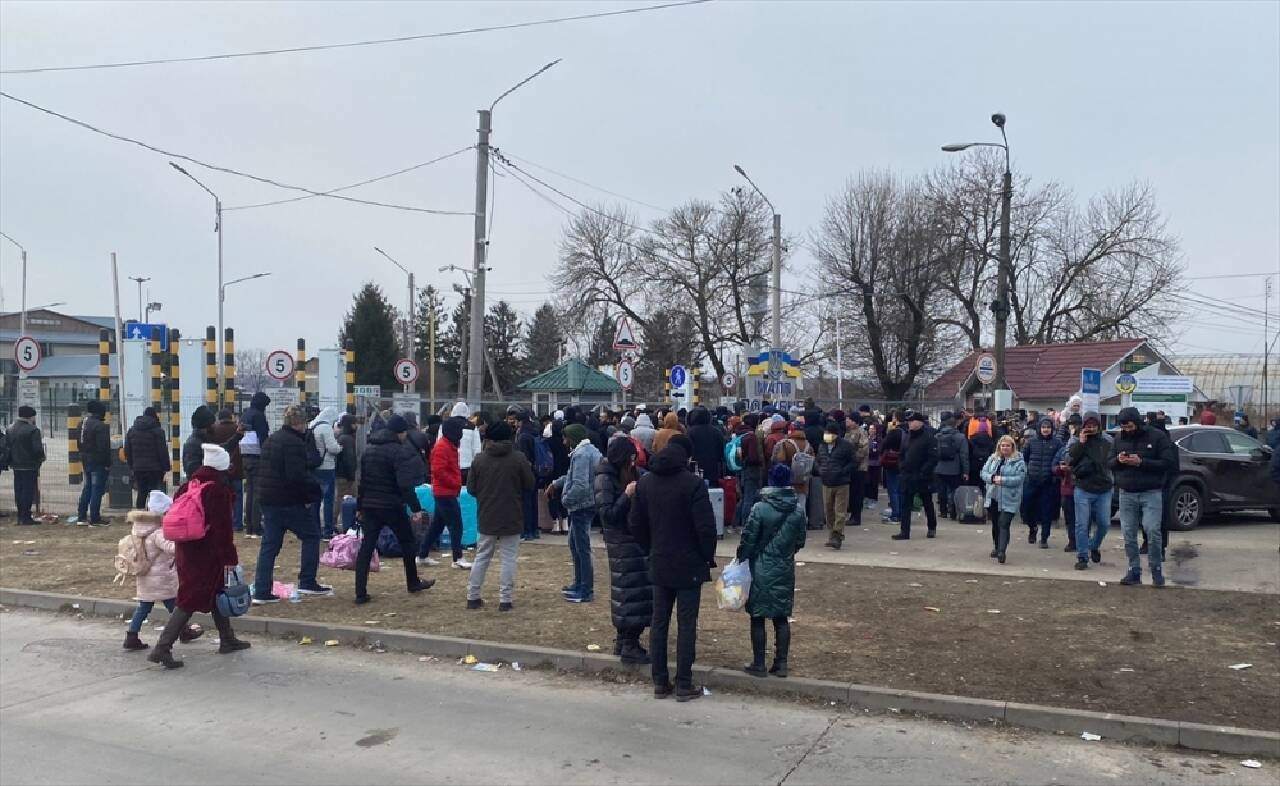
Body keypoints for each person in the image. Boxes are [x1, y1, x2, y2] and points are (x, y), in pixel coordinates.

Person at [629, 436, 717, 702]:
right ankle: (683, 683)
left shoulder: (645, 484)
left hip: (659, 559)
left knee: (659, 622)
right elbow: (706, 528)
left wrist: (649, 549)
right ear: (686, 458)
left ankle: (659, 681)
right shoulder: (693, 484)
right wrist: (706, 557)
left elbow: (636, 524)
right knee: (687, 624)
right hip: (689, 563)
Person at [148, 445, 249, 668]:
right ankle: (162, 648)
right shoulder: (217, 491)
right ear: (222, 466)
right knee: (189, 598)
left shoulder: (188, 486)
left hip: (187, 549)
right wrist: (229, 558)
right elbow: (222, 530)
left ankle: (227, 638)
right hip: (208, 553)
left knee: (214, 591)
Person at [252, 404, 329, 604]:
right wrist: (310, 496)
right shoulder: (294, 444)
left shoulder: (272, 439)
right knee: (311, 536)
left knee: (269, 545)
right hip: (288, 501)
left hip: (269, 500)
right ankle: (307, 581)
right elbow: (297, 476)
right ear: (300, 423)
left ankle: (261, 590)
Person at [354, 414, 434, 604]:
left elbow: (362, 482)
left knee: (367, 546)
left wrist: (360, 506)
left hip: (370, 505)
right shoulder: (400, 452)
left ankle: (360, 592)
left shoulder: (369, 449)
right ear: (401, 432)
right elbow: (405, 484)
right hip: (391, 505)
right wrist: (415, 508)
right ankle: (413, 582)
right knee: (407, 542)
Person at [738, 463, 806, 678]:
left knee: (757, 616)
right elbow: (800, 541)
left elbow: (749, 539)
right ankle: (781, 663)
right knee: (781, 616)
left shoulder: (760, 508)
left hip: (760, 565)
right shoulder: (797, 510)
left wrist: (741, 557)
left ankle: (759, 662)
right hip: (784, 566)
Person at [465, 421, 535, 611]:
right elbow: (530, 484)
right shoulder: (518, 458)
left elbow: (471, 489)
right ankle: (505, 599)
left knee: (482, 556)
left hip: (487, 513)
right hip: (512, 513)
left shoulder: (479, 459)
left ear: (488, 438)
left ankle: (473, 596)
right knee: (508, 558)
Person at [121, 491, 204, 651]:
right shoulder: (158, 532)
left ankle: (131, 635)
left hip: (144, 576)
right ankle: (184, 630)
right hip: (163, 578)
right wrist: (184, 544)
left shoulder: (138, 528)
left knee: (144, 608)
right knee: (176, 606)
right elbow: (171, 548)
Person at [595, 436, 652, 664]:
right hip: (621, 541)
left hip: (630, 541)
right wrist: (627, 496)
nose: (633, 462)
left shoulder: (622, 473)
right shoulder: (604, 478)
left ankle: (624, 640)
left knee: (631, 590)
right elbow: (607, 515)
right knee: (630, 590)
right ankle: (629, 643)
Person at [1110, 406, 1177, 587]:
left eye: (1130, 427)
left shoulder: (1157, 437)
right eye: (1124, 427)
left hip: (1151, 491)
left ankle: (1156, 570)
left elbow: (1168, 462)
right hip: (1126, 492)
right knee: (1128, 533)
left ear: (1138, 423)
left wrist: (1141, 462)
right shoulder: (1118, 439)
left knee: (1152, 530)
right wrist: (1118, 460)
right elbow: (1109, 463)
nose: (1127, 430)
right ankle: (1134, 571)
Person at [548, 424, 601, 603]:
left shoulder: (580, 455)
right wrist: (557, 483)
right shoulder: (590, 451)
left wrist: (565, 500)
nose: (563, 442)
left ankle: (585, 588)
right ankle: (579, 584)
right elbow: (573, 477)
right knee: (576, 545)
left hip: (581, 507)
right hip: (588, 504)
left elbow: (579, 484)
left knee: (581, 548)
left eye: (565, 438)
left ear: (572, 438)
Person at [420, 415, 473, 570]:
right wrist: (455, 483)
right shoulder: (443, 447)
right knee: (456, 524)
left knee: (437, 525)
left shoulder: (449, 445)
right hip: (445, 492)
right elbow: (438, 471)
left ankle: (422, 555)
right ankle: (458, 558)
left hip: (446, 491)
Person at [1069, 411, 1114, 571]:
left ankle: (1093, 545)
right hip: (1083, 487)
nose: (1091, 428)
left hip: (1103, 488)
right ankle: (1082, 556)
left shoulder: (1107, 440)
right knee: (1081, 524)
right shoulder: (1076, 439)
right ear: (1083, 426)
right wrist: (1081, 442)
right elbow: (1070, 459)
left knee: (1104, 523)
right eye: (1088, 426)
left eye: (1094, 426)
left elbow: (1111, 461)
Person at [980, 436, 1026, 564]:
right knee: (995, 523)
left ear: (1012, 447)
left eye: (1008, 445)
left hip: (1009, 497)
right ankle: (996, 545)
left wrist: (1003, 480)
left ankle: (1002, 551)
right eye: (1003, 445)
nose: (1005, 448)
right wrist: (992, 478)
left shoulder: (1019, 462)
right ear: (999, 447)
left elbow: (1019, 478)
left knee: (1004, 523)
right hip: (993, 496)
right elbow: (983, 472)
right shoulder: (993, 458)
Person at [894, 412, 938, 540]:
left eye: (912, 421)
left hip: (923, 477)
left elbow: (933, 457)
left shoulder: (929, 437)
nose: (909, 423)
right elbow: (901, 453)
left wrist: (924, 471)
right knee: (906, 504)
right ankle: (904, 531)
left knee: (927, 502)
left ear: (919, 422)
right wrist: (901, 466)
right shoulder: (907, 436)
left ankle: (931, 527)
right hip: (907, 475)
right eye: (908, 421)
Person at [1020, 418, 1064, 547]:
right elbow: (1025, 457)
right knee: (1027, 508)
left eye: (1048, 427)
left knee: (1047, 512)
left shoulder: (1057, 443)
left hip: (1049, 482)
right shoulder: (1031, 442)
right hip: (1032, 480)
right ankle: (1032, 528)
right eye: (1043, 427)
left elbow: (1060, 458)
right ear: (1039, 428)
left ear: (1052, 429)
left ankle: (1044, 538)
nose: (1046, 430)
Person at [71, 399, 112, 526]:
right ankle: (95, 517)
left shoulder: (82, 423)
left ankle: (81, 516)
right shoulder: (100, 426)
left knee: (87, 488)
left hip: (85, 459)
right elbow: (103, 447)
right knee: (97, 489)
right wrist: (107, 463)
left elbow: (78, 443)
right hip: (97, 462)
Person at [814, 421, 854, 550]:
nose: (827, 435)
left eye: (830, 433)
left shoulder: (846, 446)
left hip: (841, 483)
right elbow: (818, 460)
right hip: (826, 482)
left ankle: (837, 535)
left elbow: (853, 462)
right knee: (828, 511)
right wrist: (820, 470)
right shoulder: (822, 446)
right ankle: (831, 535)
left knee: (840, 511)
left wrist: (843, 472)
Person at [306, 406, 344, 540]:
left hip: (314, 466)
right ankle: (327, 530)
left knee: (315, 500)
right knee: (328, 500)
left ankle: (314, 528)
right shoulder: (326, 427)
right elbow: (332, 448)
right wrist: (340, 447)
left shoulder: (312, 424)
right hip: (326, 467)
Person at [125, 406, 171, 508]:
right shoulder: (158, 431)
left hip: (138, 468)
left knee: (141, 492)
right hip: (155, 469)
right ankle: (152, 518)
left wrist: (132, 465)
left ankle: (139, 519)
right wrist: (166, 467)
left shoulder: (131, 431)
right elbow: (162, 451)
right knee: (155, 495)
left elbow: (127, 450)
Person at [508, 406, 542, 542]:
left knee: (525, 502)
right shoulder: (535, 431)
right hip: (537, 470)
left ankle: (527, 530)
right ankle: (534, 529)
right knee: (533, 501)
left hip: (525, 472)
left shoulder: (522, 436)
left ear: (520, 422)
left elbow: (523, 457)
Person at [240, 391, 271, 538]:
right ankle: (256, 527)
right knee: (257, 493)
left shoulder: (245, 414)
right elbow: (263, 437)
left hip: (245, 457)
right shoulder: (259, 416)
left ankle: (249, 525)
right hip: (257, 458)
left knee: (249, 491)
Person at [209, 410, 246, 532]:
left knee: (222, 497)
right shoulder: (237, 429)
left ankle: (224, 522)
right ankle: (237, 523)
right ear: (231, 417)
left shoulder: (214, 429)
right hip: (236, 467)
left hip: (220, 468)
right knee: (238, 496)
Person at [7, 406, 45, 526]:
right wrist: (40, 459)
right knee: (28, 491)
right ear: (30, 416)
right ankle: (26, 516)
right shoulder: (33, 430)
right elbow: (37, 449)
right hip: (29, 465)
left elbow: (7, 447)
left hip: (16, 465)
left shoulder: (10, 429)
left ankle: (20, 516)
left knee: (18, 490)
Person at [732, 414, 767, 534]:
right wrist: (760, 461)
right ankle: (745, 525)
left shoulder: (739, 434)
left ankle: (735, 522)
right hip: (752, 470)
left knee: (745, 497)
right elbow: (753, 457)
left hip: (742, 468)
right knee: (749, 498)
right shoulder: (751, 436)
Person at [933, 412, 969, 519]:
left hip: (939, 468)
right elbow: (964, 456)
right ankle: (953, 512)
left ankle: (943, 511)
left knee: (941, 490)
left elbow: (933, 453)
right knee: (954, 490)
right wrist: (966, 471)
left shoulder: (937, 436)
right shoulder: (961, 437)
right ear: (956, 425)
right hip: (955, 469)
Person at [686, 406, 726, 486]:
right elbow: (721, 452)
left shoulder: (690, 432)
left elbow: (687, 451)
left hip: (695, 468)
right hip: (713, 468)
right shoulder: (716, 432)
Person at [333, 414, 358, 533]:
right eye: (354, 423)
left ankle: (334, 523)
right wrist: (351, 475)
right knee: (346, 499)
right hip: (346, 475)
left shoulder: (341, 437)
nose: (356, 425)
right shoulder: (348, 439)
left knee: (340, 498)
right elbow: (349, 459)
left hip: (340, 473)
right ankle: (342, 523)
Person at [844, 415, 870, 527]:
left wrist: (854, 460)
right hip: (850, 466)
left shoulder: (860, 432)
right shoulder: (848, 432)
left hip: (859, 467)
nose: (846, 421)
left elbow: (863, 449)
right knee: (852, 493)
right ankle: (852, 515)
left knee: (857, 493)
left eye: (848, 419)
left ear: (854, 421)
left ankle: (856, 517)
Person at [450, 402, 483, 482]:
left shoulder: (445, 425)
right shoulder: (472, 427)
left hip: (450, 465)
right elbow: (477, 448)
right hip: (467, 465)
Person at [880, 412, 903, 524]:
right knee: (899, 490)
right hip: (902, 463)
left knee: (893, 490)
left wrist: (889, 431)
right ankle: (901, 513)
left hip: (892, 462)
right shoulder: (906, 431)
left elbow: (884, 445)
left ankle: (895, 515)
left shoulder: (894, 432)